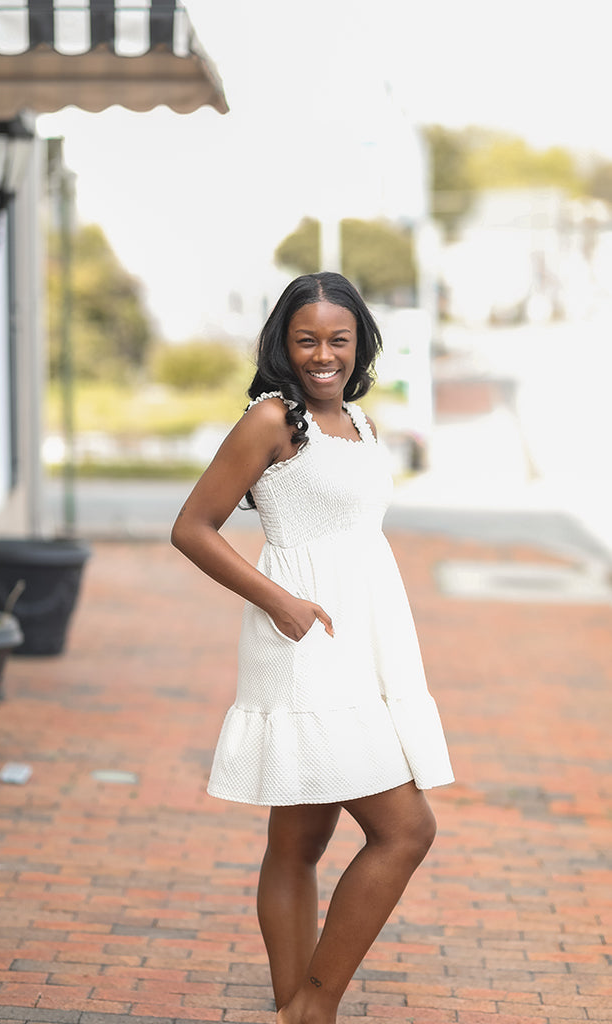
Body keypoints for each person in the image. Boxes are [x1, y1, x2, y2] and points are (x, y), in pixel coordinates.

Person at [171, 272, 454, 1024]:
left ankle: (293, 1004)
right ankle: (315, 1006)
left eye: (337, 339)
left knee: (299, 837)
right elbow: (191, 527)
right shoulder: (272, 420)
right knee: (405, 829)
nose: (322, 354)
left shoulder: (356, 422)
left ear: (358, 342)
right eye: (306, 340)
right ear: (282, 344)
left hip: (360, 640)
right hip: (305, 641)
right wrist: (282, 604)